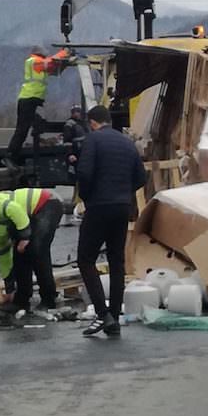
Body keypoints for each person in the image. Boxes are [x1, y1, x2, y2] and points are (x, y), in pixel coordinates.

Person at [75, 105, 146, 336]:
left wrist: (87, 197)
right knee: (117, 262)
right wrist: (123, 193)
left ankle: (102, 313)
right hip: (122, 207)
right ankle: (114, 317)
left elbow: (84, 174)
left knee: (86, 259)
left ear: (92, 122)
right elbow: (140, 177)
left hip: (98, 206)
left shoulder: (92, 140)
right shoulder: (127, 143)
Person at [0, 187, 64, 312]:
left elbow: (15, 209)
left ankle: (49, 298)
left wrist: (24, 237)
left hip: (46, 203)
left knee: (37, 251)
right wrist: (9, 289)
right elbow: (5, 259)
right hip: (31, 215)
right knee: (19, 256)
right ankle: (21, 300)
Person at [5, 45, 70, 169]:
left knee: (35, 124)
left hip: (32, 100)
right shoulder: (34, 61)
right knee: (22, 129)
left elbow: (54, 69)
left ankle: (17, 154)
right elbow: (49, 62)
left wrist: (64, 61)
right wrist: (63, 52)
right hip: (28, 99)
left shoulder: (39, 66)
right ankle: (10, 157)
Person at [62, 105, 89, 225]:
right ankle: (77, 203)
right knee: (78, 179)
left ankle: (79, 202)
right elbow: (67, 141)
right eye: (75, 112)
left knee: (81, 178)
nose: (77, 113)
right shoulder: (70, 124)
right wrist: (70, 154)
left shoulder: (84, 123)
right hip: (75, 154)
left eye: (78, 111)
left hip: (83, 153)